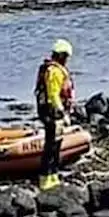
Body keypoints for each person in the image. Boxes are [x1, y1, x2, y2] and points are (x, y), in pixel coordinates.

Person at [34, 39, 75, 191]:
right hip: (52, 112)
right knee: (51, 145)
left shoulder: (52, 69)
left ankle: (53, 175)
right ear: (62, 56)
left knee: (55, 144)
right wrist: (63, 113)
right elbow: (53, 95)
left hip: (51, 111)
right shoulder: (54, 72)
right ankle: (45, 177)